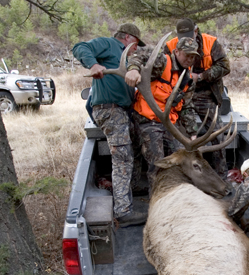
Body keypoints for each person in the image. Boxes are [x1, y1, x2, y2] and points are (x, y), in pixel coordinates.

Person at [72, 23, 148, 227]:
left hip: (124, 111)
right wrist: (93, 65)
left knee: (138, 144)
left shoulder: (127, 57)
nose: (136, 50)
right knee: (122, 156)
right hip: (110, 109)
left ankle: (130, 187)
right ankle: (123, 212)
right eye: (136, 45)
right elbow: (80, 47)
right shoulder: (109, 44)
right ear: (128, 38)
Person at [124, 37, 200, 195]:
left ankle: (179, 197)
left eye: (193, 56)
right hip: (148, 121)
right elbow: (139, 55)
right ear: (176, 51)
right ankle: (156, 201)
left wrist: (193, 134)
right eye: (187, 55)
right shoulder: (162, 62)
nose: (190, 59)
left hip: (169, 124)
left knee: (182, 158)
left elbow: (186, 106)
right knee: (157, 163)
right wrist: (133, 69)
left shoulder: (188, 78)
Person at [165, 18, 231, 178]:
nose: (185, 39)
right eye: (182, 37)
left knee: (215, 132)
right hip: (179, 94)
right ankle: (182, 175)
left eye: (189, 35)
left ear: (196, 31)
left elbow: (225, 67)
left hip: (205, 94)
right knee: (175, 135)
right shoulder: (169, 46)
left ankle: (221, 175)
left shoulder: (211, 43)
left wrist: (200, 76)